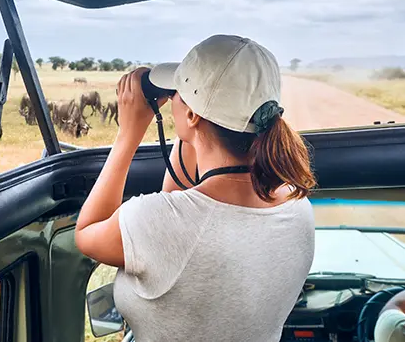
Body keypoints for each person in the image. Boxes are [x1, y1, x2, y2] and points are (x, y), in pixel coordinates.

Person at [74, 34, 317, 342]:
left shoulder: (161, 222)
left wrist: (128, 134)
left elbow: (87, 233)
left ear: (191, 114)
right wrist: (192, 132)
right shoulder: (297, 206)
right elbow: (183, 213)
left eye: (179, 94)